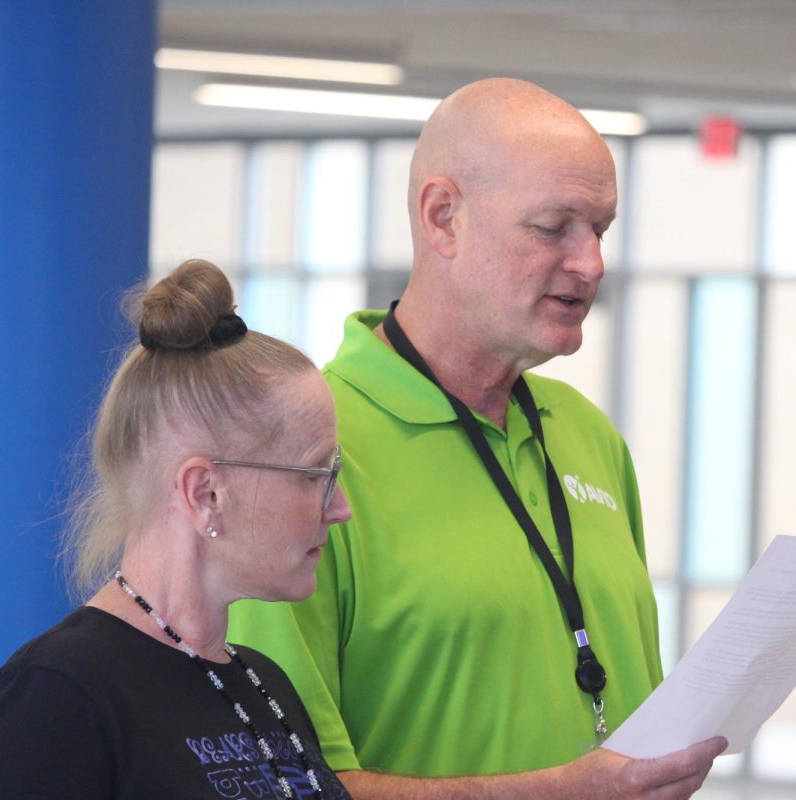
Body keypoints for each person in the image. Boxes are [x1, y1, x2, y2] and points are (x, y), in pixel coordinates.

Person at [227, 78, 726, 798]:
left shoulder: (587, 437)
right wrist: (561, 792)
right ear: (442, 217)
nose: (591, 265)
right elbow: (289, 786)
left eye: (601, 229)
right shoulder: (300, 451)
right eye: (554, 227)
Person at [0, 259, 352, 799]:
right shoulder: (59, 697)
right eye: (316, 475)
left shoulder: (263, 683)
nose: (341, 506)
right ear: (206, 493)